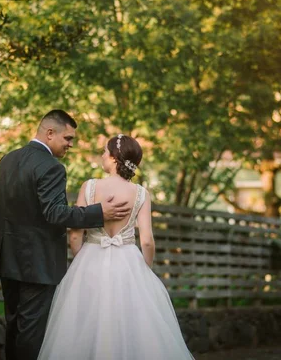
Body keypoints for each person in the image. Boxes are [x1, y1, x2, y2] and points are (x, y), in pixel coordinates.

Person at [0, 110, 132, 360]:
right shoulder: (52, 167)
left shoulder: (7, 160)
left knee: (13, 326)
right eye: (68, 138)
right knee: (31, 332)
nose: (70, 145)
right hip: (38, 263)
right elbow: (55, 213)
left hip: (6, 258)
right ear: (49, 133)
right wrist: (99, 212)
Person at [38, 134, 194, 360]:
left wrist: (83, 258)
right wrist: (145, 271)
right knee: (133, 326)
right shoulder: (141, 193)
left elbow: (74, 234)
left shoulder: (90, 187)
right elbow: (147, 240)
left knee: (81, 326)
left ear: (113, 158)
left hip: (91, 258)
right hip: (128, 261)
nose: (102, 155)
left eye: (104, 151)